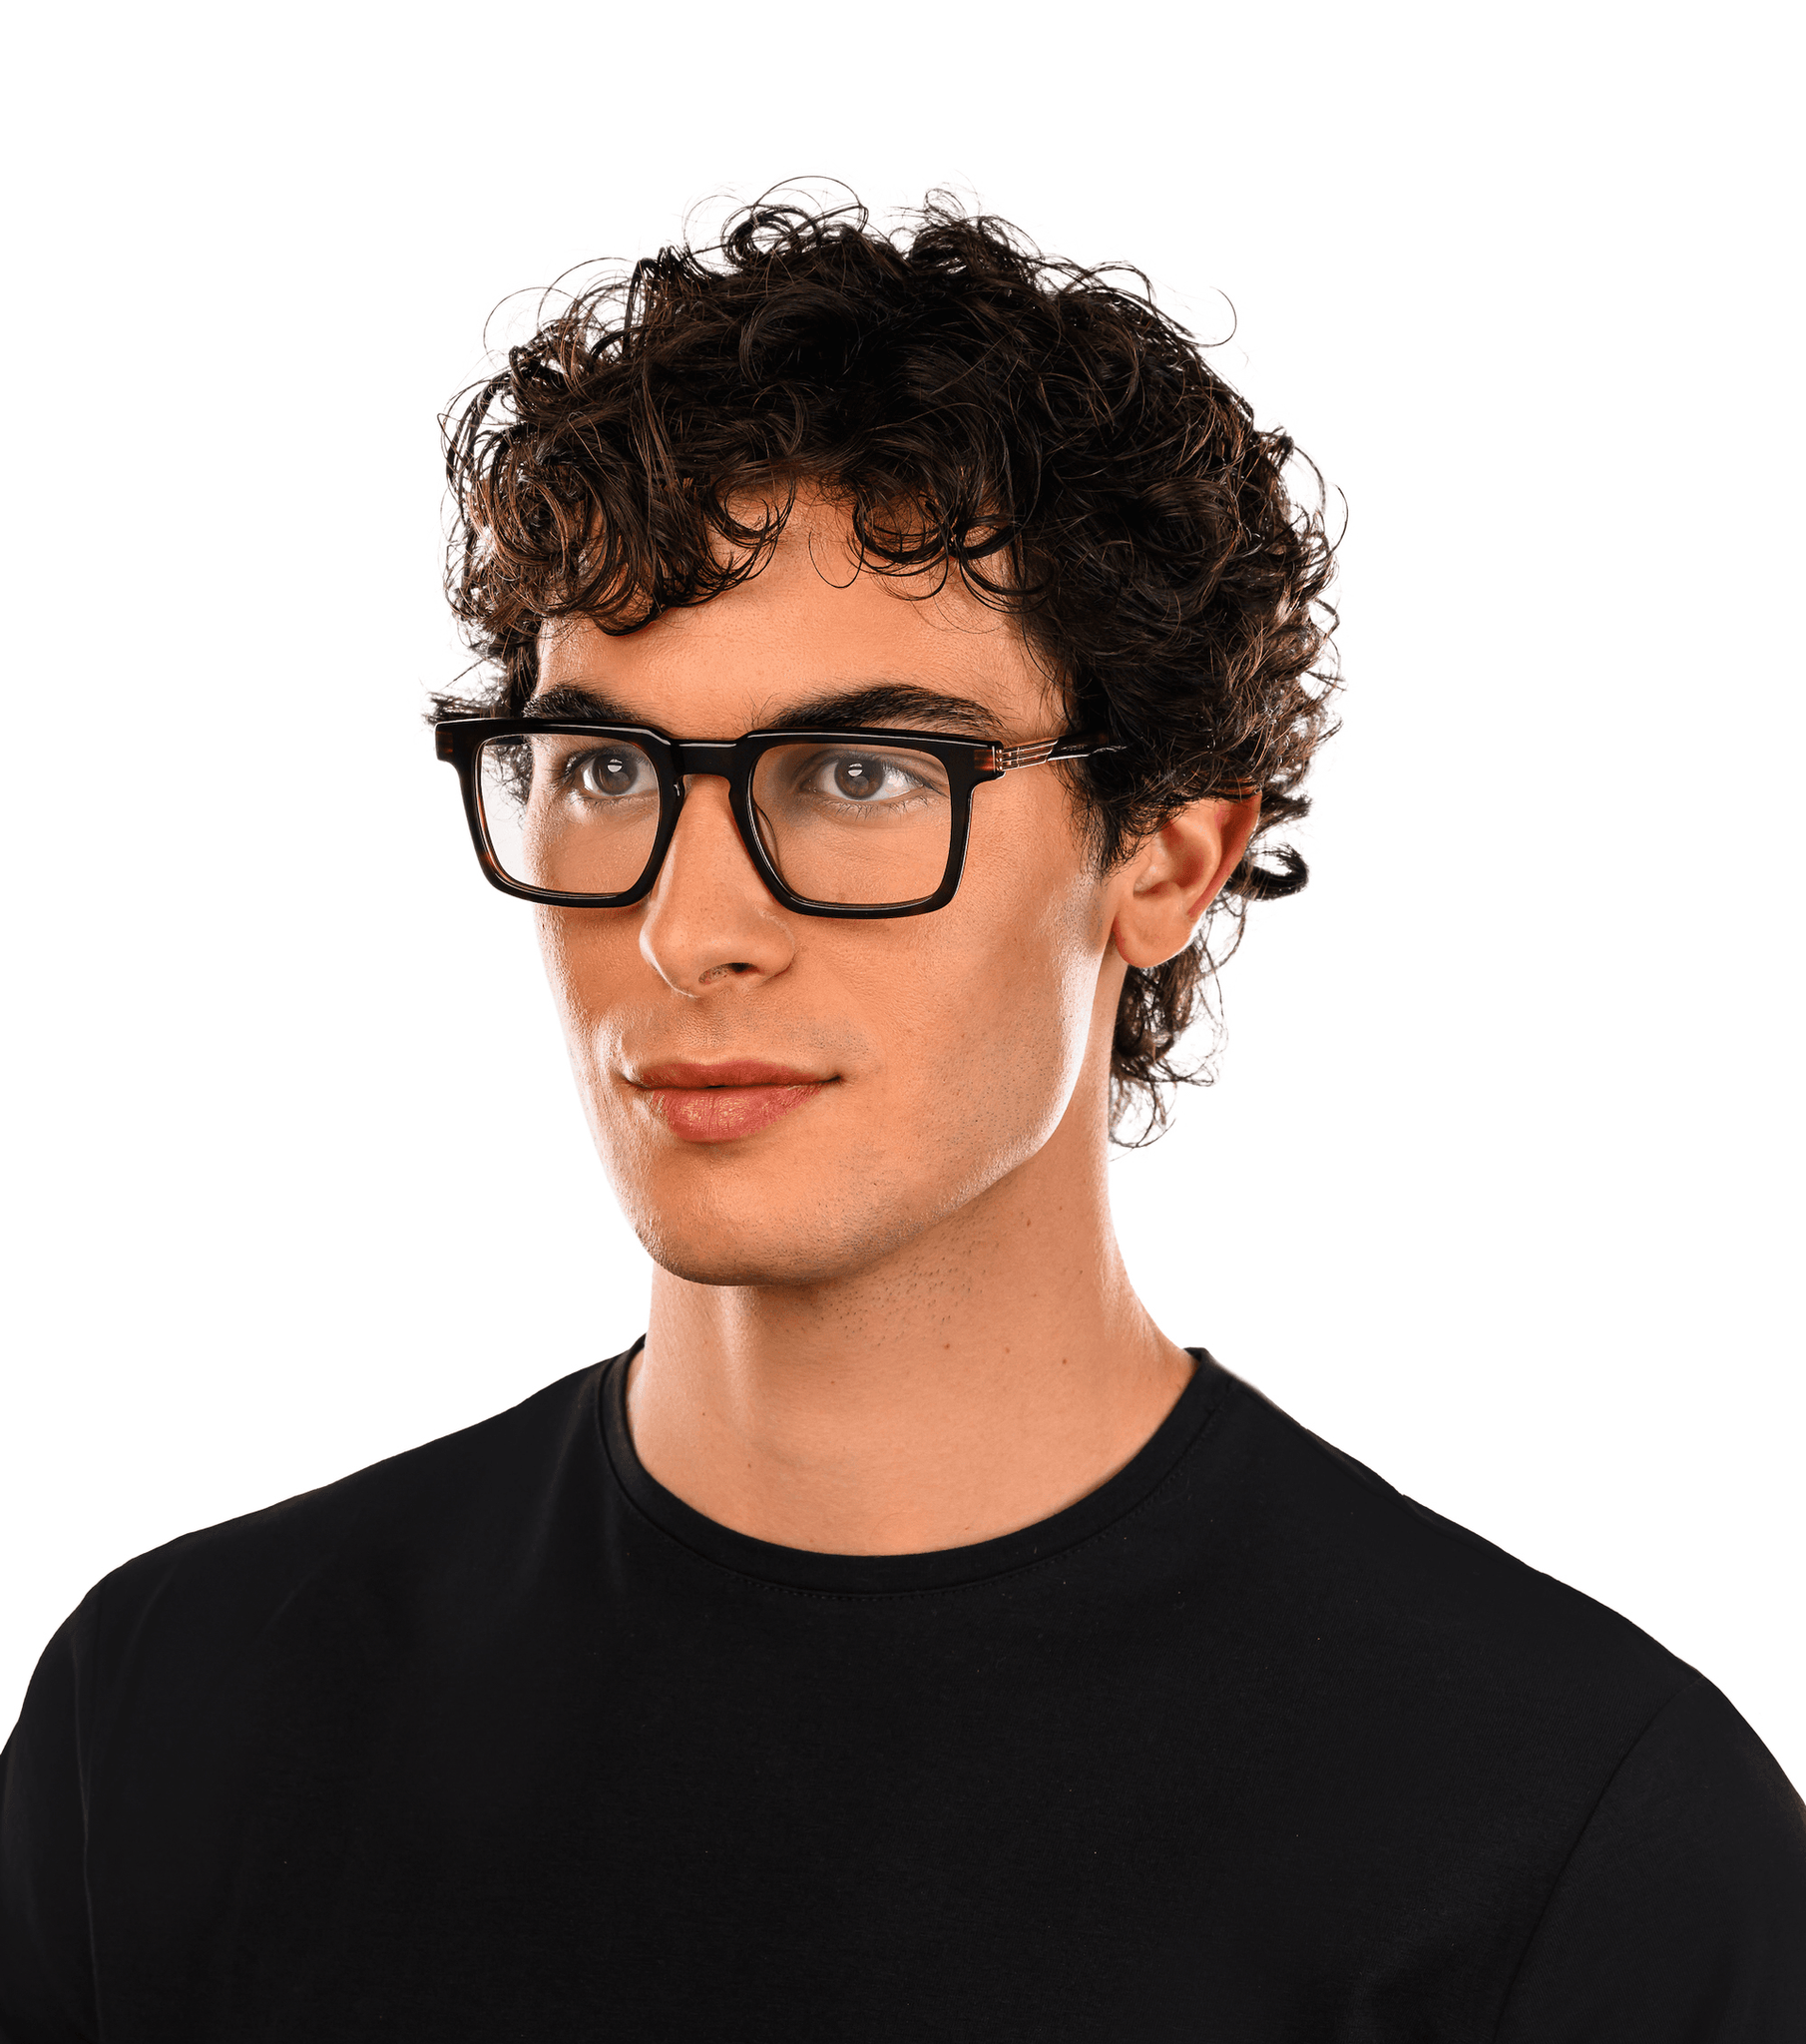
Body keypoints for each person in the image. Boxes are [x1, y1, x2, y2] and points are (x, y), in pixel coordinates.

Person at [3, 198, 1802, 2042]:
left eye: (862, 773)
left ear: (1166, 856)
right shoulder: (167, 1716)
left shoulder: (1573, 1846)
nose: (687, 928)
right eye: (608, 767)